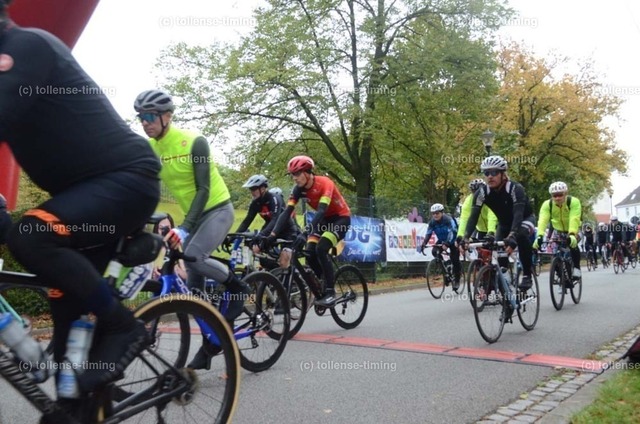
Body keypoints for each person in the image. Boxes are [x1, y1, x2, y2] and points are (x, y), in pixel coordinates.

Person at [0, 0, 161, 416]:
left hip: (126, 180)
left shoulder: (26, 47)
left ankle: (124, 327)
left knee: (31, 234)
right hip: (81, 198)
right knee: (71, 370)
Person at [134, 89, 250, 370]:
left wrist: (185, 228)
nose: (145, 122)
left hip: (217, 209)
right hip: (194, 216)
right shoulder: (151, 148)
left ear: (167, 116)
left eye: (150, 116)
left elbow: (203, 189)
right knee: (193, 289)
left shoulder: (194, 142)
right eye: (141, 117)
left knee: (195, 257)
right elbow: (143, 187)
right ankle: (211, 343)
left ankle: (238, 287)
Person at [266, 155, 351, 307]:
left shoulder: (325, 183)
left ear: (307, 172)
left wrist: (305, 233)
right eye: (292, 174)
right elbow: (286, 213)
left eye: (297, 173)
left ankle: (331, 292)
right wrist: (272, 235)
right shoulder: (298, 189)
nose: (294, 178)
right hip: (323, 220)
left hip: (340, 219)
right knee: (310, 253)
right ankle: (323, 282)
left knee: (321, 248)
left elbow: (321, 210)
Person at [462, 156, 536, 293]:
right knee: (498, 250)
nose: (490, 176)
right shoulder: (482, 192)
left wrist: (512, 235)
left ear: (503, 174)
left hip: (524, 219)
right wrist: (465, 237)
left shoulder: (515, 188)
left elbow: (518, 214)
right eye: (486, 173)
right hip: (504, 224)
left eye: (494, 172)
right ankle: (505, 284)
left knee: (521, 236)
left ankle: (527, 275)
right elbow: (473, 217)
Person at [235, 175, 299, 258]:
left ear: (262, 189)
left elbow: (275, 219)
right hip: (270, 227)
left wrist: (261, 234)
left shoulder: (274, 198)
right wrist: (235, 235)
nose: (252, 192)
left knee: (284, 260)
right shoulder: (255, 203)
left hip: (287, 230)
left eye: (254, 189)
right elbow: (247, 221)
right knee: (256, 250)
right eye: (250, 189)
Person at [533, 182, 583, 280]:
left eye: (560, 195)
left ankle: (577, 268)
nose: (557, 198)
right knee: (555, 254)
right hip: (558, 230)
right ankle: (560, 275)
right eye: (554, 196)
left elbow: (574, 218)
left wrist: (572, 234)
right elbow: (543, 220)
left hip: (573, 229)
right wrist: (539, 236)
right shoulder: (547, 204)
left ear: (565, 193)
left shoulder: (573, 202)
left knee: (573, 245)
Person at [421, 203, 461, 288]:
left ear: (442, 212)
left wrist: (447, 243)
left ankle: (457, 280)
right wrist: (424, 243)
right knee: (434, 252)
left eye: (437, 213)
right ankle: (445, 271)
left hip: (453, 240)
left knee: (455, 259)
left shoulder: (448, 219)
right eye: (433, 213)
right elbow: (428, 233)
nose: (435, 215)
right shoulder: (432, 222)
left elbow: (453, 232)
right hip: (442, 240)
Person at [151, 213, 187, 281]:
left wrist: (174, 268)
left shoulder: (177, 246)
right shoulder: (151, 247)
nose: (164, 231)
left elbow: (185, 276)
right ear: (156, 229)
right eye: (161, 228)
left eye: (167, 228)